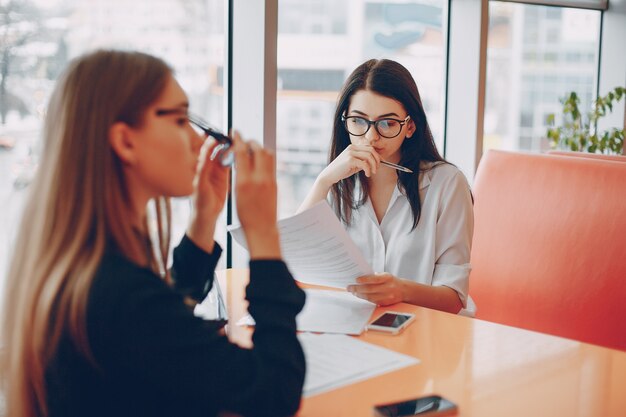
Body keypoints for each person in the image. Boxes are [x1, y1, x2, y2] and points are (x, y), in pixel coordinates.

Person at [0, 50, 305, 417]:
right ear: (125, 141)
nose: (198, 141)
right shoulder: (119, 294)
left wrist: (204, 219)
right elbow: (273, 395)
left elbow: (164, 318)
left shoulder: (82, 266)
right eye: (179, 120)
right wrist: (263, 236)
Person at [299, 59, 474, 315]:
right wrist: (323, 182)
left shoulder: (447, 183)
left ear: (410, 126)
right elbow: (295, 262)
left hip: (425, 329)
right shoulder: (335, 182)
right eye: (358, 121)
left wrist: (401, 290)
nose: (371, 137)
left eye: (387, 123)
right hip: (351, 324)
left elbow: (453, 297)